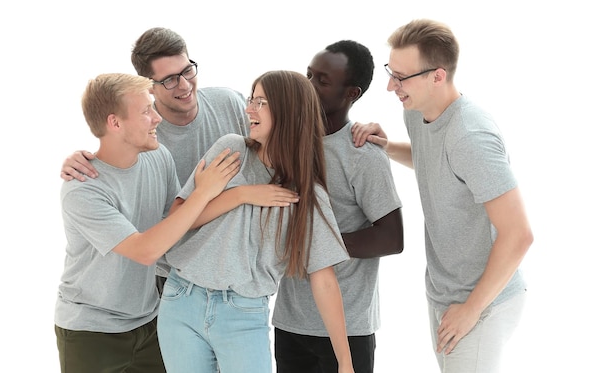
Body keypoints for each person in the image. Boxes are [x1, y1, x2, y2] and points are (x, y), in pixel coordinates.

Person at [352, 19, 533, 373]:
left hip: (483, 301)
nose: (390, 86)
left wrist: (471, 310)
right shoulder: (418, 115)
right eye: (392, 72)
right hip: (444, 293)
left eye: (400, 77)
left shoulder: (470, 136)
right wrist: (385, 147)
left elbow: (519, 234)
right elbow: (436, 163)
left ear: (437, 76)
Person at [59, 27, 297, 292]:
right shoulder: (146, 138)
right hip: (170, 274)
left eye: (187, 71)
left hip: (236, 273)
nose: (184, 85)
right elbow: (114, 161)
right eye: (170, 80)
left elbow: (284, 134)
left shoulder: (230, 104)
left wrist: (349, 133)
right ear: (147, 85)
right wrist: (82, 161)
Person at [157, 70, 355, 373]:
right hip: (182, 297)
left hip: (243, 312)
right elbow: (180, 218)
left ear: (287, 112)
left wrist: (345, 361)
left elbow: (324, 280)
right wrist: (243, 195)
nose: (249, 109)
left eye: (260, 102)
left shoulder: (306, 196)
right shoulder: (231, 149)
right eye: (251, 100)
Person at [54, 72, 241, 373]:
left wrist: (242, 195)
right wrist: (204, 190)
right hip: (91, 331)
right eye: (146, 111)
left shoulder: (158, 157)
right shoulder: (83, 188)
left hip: (149, 320)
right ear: (115, 123)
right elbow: (145, 250)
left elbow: (178, 221)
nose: (157, 119)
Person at [272, 40, 403, 373]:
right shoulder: (285, 143)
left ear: (351, 93)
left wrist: (316, 245)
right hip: (290, 321)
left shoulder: (364, 155)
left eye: (322, 81)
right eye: (309, 74)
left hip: (348, 328)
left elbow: (391, 238)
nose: (308, 85)